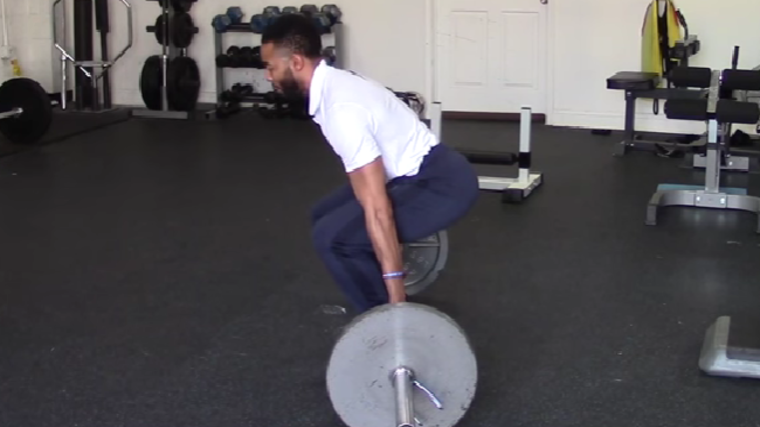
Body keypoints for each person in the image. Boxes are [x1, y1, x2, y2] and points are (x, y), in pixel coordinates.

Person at [261, 14, 480, 314]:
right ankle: (376, 284)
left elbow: (378, 210)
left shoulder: (341, 109)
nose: (268, 76)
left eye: (271, 67)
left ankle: (387, 319)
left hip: (441, 184)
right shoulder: (332, 85)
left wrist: (396, 290)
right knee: (323, 216)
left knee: (334, 239)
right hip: (410, 174)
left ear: (296, 62)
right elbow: (366, 190)